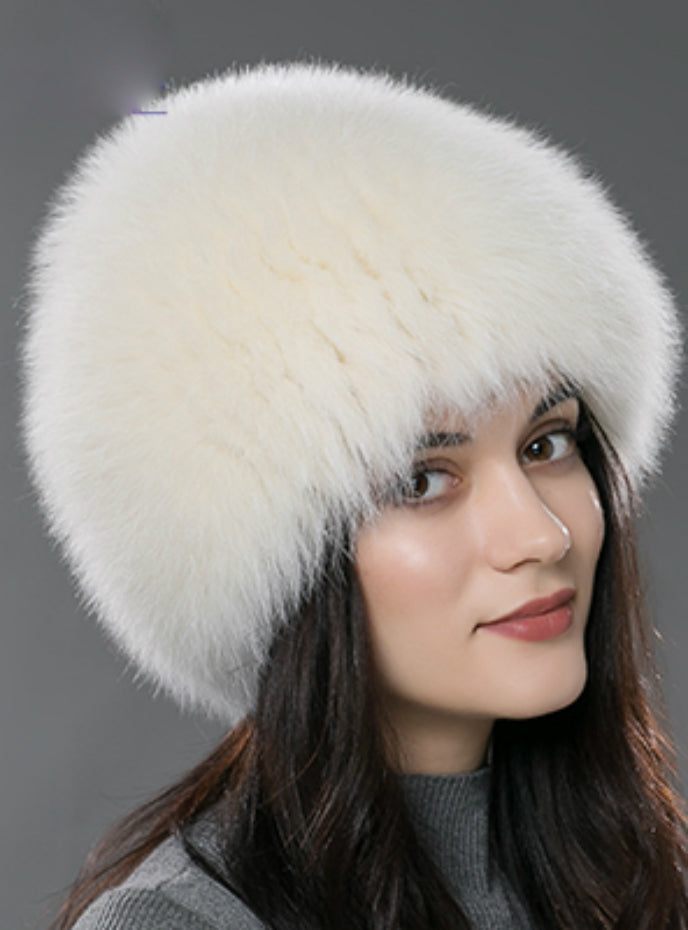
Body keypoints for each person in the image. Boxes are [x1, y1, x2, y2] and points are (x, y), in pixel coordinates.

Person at [22, 63, 687, 929]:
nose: (541, 533)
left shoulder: (642, 873)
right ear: (277, 562)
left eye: (545, 444)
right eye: (421, 480)